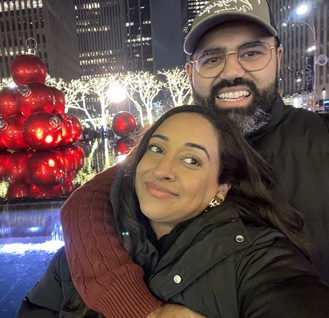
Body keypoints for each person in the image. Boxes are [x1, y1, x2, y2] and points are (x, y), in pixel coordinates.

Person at [60, 1, 329, 317]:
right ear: (190, 73)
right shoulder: (162, 151)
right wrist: (144, 309)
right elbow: (83, 204)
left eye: (251, 53)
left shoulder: (320, 137)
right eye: (212, 58)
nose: (231, 71)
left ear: (277, 58)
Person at [18, 106, 329, 317]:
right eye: (156, 149)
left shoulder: (256, 261)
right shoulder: (80, 251)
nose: (163, 170)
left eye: (192, 160)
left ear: (222, 186)